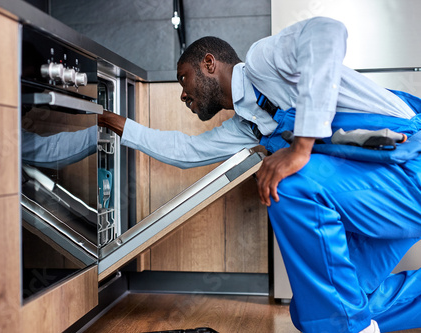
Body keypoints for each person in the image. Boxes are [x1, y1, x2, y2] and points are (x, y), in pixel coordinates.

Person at [99, 16, 421, 333]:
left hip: (408, 161)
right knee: (321, 307)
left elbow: (327, 31)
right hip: (377, 190)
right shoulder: (248, 127)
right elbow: (184, 151)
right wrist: (113, 122)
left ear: (209, 63)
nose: (183, 94)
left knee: (287, 182)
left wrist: (301, 148)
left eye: (184, 79)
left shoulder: (261, 62)